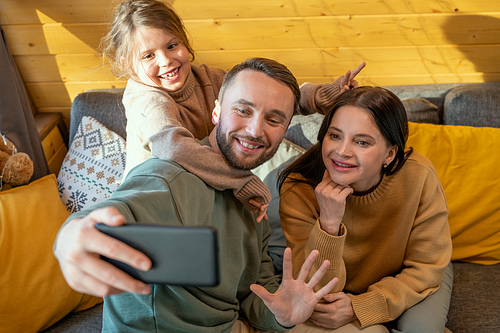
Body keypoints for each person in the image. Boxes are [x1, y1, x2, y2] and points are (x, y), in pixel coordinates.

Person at [54, 58, 348, 333]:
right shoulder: (169, 177)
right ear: (216, 112)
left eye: (273, 120)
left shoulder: (251, 199)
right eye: (243, 110)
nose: (255, 130)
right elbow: (124, 207)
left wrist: (282, 314)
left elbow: (255, 291)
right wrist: (73, 235)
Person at [100, 0, 365, 220]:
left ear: (184, 42)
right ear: (128, 64)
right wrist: (240, 180)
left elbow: (262, 101)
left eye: (172, 45)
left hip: (199, 195)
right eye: (148, 56)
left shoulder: (208, 79)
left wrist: (320, 96)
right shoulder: (146, 99)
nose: (166, 60)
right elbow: (173, 148)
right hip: (154, 207)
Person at [278, 87, 453, 332]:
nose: (342, 151)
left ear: (390, 154)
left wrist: (362, 306)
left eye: (362, 142)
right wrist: (329, 224)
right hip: (340, 285)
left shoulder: (419, 175)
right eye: (335, 135)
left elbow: (427, 266)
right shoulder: (298, 188)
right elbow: (315, 289)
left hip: (413, 274)